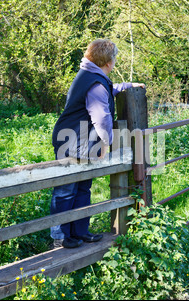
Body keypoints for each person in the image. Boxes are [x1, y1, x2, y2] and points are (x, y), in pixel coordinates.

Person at [50, 39, 145, 249]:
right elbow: (101, 118)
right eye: (114, 59)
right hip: (73, 141)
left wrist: (128, 86)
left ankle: (79, 232)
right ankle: (60, 236)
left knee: (83, 188)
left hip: (77, 139)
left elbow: (108, 89)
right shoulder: (95, 83)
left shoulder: (91, 76)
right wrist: (105, 143)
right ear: (108, 62)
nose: (115, 62)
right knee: (67, 189)